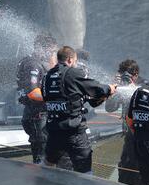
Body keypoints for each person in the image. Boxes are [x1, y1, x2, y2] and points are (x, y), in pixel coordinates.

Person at [41, 46, 117, 173]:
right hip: (74, 132)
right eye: (75, 61)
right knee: (85, 171)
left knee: (47, 163)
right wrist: (109, 88)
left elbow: (45, 97)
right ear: (70, 60)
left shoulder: (47, 76)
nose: (75, 64)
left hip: (53, 130)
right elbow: (97, 88)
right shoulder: (73, 73)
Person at [16, 34, 58, 164]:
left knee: (46, 153)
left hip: (37, 114)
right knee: (42, 155)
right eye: (51, 51)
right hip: (37, 115)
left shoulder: (33, 62)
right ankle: (41, 181)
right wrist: (60, 97)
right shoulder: (32, 65)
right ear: (41, 48)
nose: (52, 54)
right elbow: (33, 93)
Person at [105, 59, 145, 185]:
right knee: (124, 170)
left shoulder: (144, 86)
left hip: (142, 136)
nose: (126, 79)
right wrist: (114, 89)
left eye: (128, 76)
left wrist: (131, 86)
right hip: (128, 135)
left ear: (136, 75)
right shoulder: (121, 87)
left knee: (140, 171)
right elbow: (109, 108)